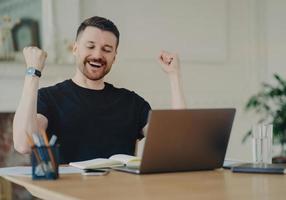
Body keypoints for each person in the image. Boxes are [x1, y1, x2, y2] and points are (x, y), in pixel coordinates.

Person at [13, 16, 185, 163]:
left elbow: (178, 141)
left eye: (107, 49)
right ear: (75, 48)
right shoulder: (48, 98)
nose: (97, 55)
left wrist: (174, 75)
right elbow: (23, 144)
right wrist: (32, 73)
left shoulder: (132, 102)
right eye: (90, 46)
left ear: (114, 57)